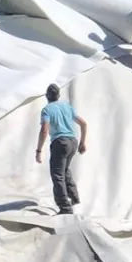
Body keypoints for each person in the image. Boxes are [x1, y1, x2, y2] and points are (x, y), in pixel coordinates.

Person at [35, 83, 89, 215]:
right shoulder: (67, 107)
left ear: (47, 96)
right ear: (58, 96)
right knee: (64, 170)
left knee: (57, 175)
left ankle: (65, 207)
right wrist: (82, 143)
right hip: (72, 142)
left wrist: (39, 150)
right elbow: (83, 123)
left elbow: (44, 130)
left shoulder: (47, 110)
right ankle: (74, 196)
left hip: (60, 142)